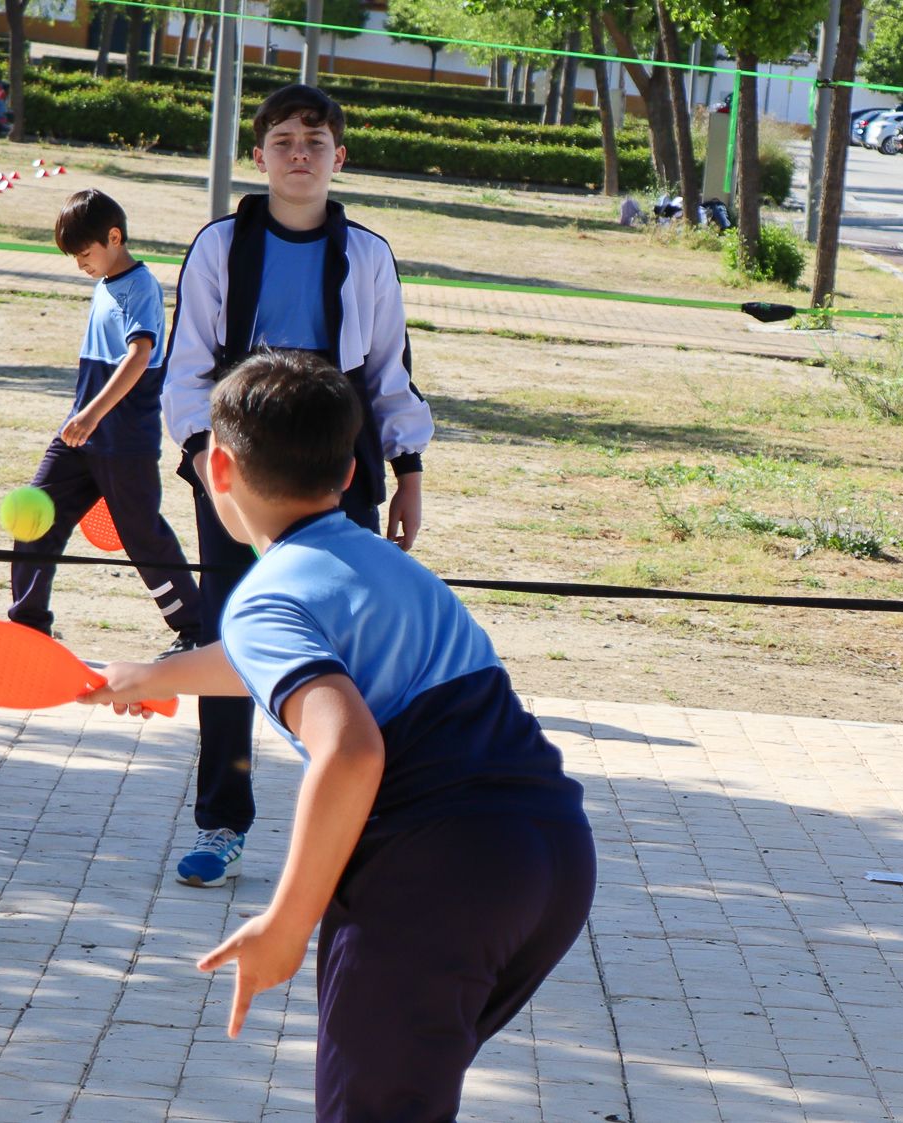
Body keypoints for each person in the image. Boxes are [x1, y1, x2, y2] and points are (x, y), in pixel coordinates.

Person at [85, 350, 593, 1122]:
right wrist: (155, 676)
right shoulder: (380, 563)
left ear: (217, 467)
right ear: (351, 472)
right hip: (550, 860)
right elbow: (298, 660)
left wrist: (287, 922)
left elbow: (351, 746)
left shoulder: (265, 598)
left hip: (437, 870)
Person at [158, 83, 431, 887]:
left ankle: (358, 822)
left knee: (353, 651)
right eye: (283, 141)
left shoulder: (370, 256)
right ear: (259, 156)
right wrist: (215, 471)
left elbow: (389, 378)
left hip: (338, 467)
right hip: (237, 468)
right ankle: (221, 820)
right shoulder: (219, 247)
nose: (300, 154)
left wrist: (408, 473)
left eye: (316, 142)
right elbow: (185, 375)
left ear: (339, 158)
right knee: (233, 642)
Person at [8, 189, 201, 651]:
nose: (80, 264)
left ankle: (197, 629)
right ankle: (29, 625)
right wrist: (82, 419)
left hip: (124, 443)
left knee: (142, 537)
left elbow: (140, 356)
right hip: (79, 440)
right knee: (36, 516)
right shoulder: (104, 285)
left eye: (85, 253)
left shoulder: (142, 286)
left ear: (114, 237)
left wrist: (92, 415)